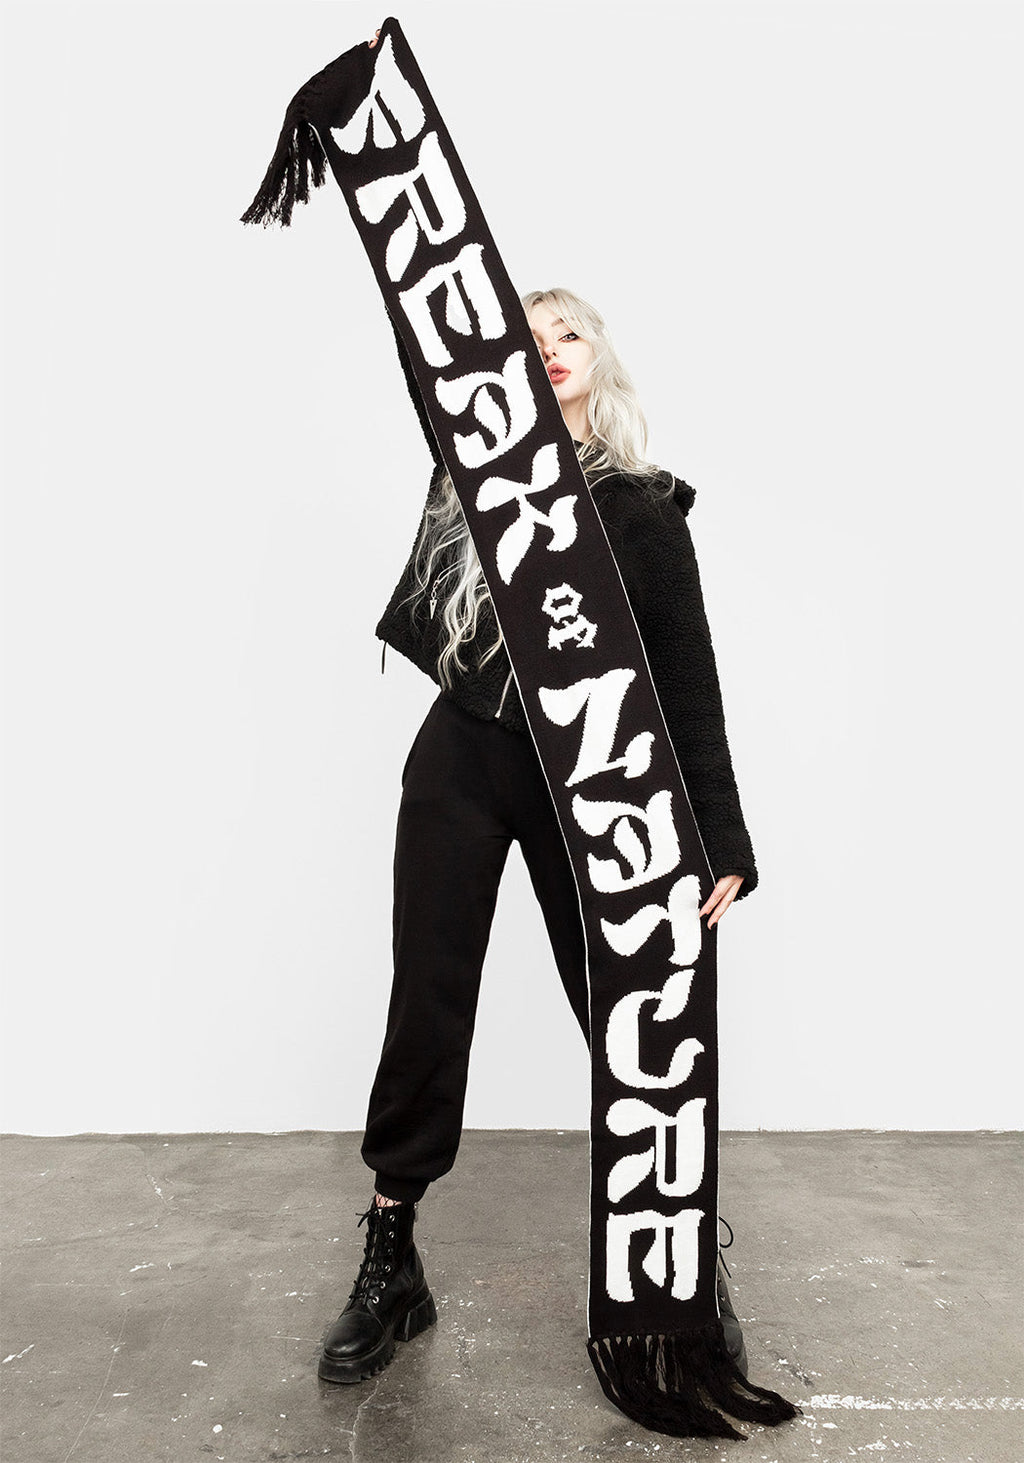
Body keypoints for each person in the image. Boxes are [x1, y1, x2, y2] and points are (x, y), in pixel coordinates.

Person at [318, 274, 759, 1388]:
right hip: (462, 757)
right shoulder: (474, 466)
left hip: (591, 780)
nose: (551, 346)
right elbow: (427, 352)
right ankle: (391, 1248)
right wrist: (383, 197)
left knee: (630, 1018)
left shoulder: (642, 509)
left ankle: (681, 1256)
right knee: (426, 995)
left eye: (569, 333)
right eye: (530, 335)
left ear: (596, 358)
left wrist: (719, 835)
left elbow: (688, 679)